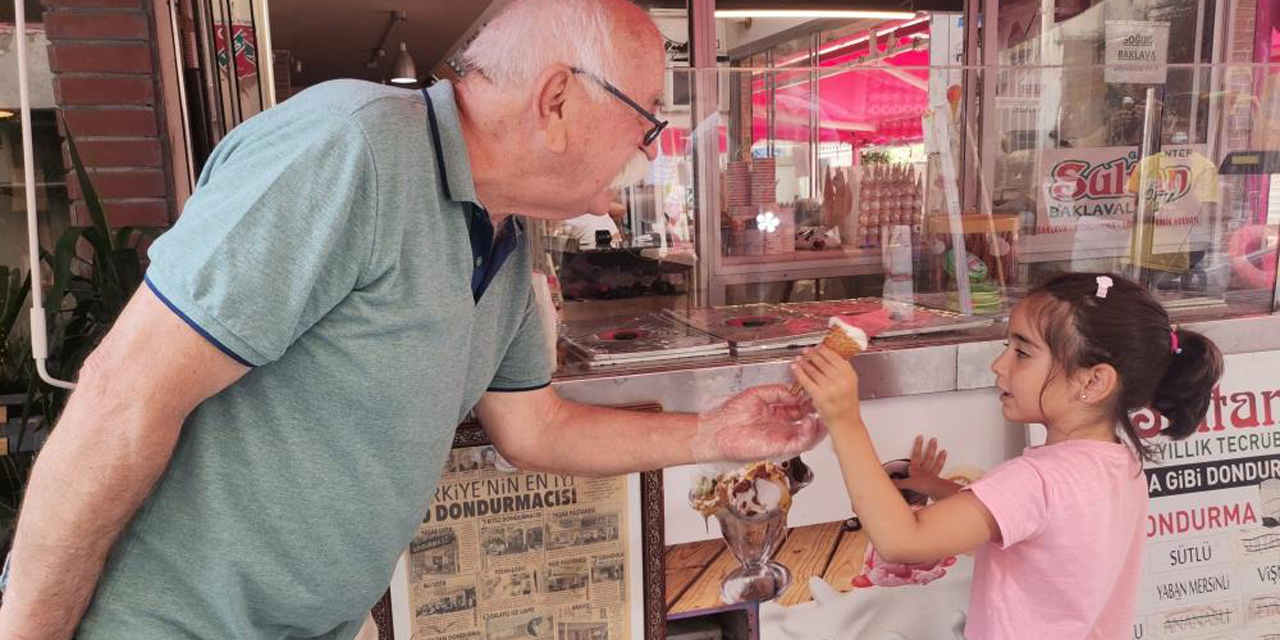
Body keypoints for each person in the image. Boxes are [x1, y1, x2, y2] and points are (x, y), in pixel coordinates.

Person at [0, 2, 823, 639]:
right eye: (647, 119)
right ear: (557, 101)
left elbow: (534, 428)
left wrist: (711, 433)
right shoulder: (349, 148)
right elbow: (123, 397)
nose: (653, 148)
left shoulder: (505, 236)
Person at [793, 272, 1224, 639]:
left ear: (1093, 382)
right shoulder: (1120, 464)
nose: (999, 365)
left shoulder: (1036, 480)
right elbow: (1026, 522)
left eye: (1022, 352)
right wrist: (936, 487)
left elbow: (903, 541)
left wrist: (844, 419)